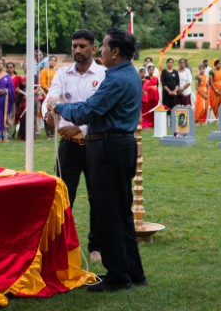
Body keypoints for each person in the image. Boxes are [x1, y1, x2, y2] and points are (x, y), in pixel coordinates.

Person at [47, 27, 146, 292]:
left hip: (109, 146)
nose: (100, 50)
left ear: (115, 51)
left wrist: (58, 107)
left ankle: (117, 276)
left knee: (108, 213)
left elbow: (88, 110)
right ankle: (131, 271)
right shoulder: (127, 74)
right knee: (121, 212)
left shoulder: (115, 79)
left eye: (102, 46)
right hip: (117, 145)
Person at [42, 29, 105, 263]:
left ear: (93, 49)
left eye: (82, 46)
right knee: (63, 196)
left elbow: (102, 110)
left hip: (95, 145)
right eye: (74, 46)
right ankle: (61, 244)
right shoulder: (62, 74)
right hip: (67, 147)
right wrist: (48, 113)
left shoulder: (103, 74)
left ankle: (96, 246)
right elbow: (52, 98)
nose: (77, 50)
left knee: (97, 196)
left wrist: (80, 129)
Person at [141, 64, 159, 129]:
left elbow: (156, 86)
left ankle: (154, 123)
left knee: (154, 109)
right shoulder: (145, 78)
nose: (151, 70)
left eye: (152, 69)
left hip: (154, 96)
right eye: (150, 69)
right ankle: (147, 123)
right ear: (148, 70)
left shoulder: (156, 78)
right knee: (148, 110)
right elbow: (145, 87)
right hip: (148, 96)